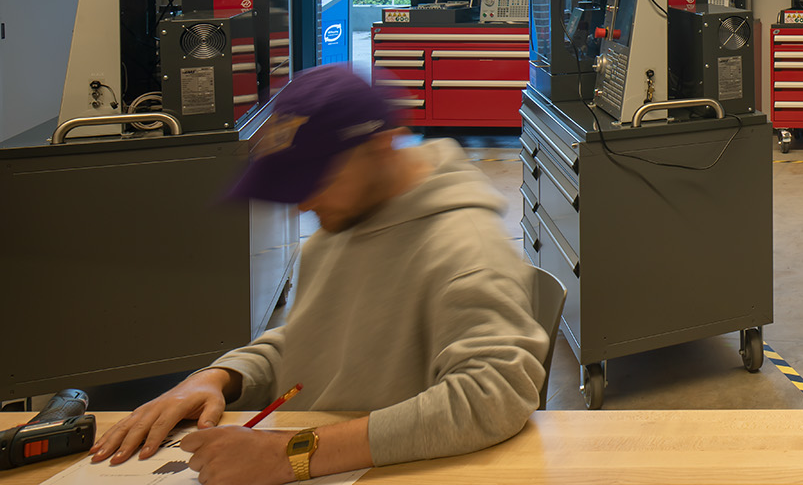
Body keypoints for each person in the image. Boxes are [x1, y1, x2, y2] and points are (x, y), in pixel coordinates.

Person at [90, 65, 547, 484]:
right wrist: (220, 377)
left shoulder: (466, 249)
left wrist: (288, 455)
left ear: (381, 145)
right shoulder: (350, 216)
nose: (305, 204)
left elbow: (494, 395)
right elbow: (313, 335)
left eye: (317, 182)